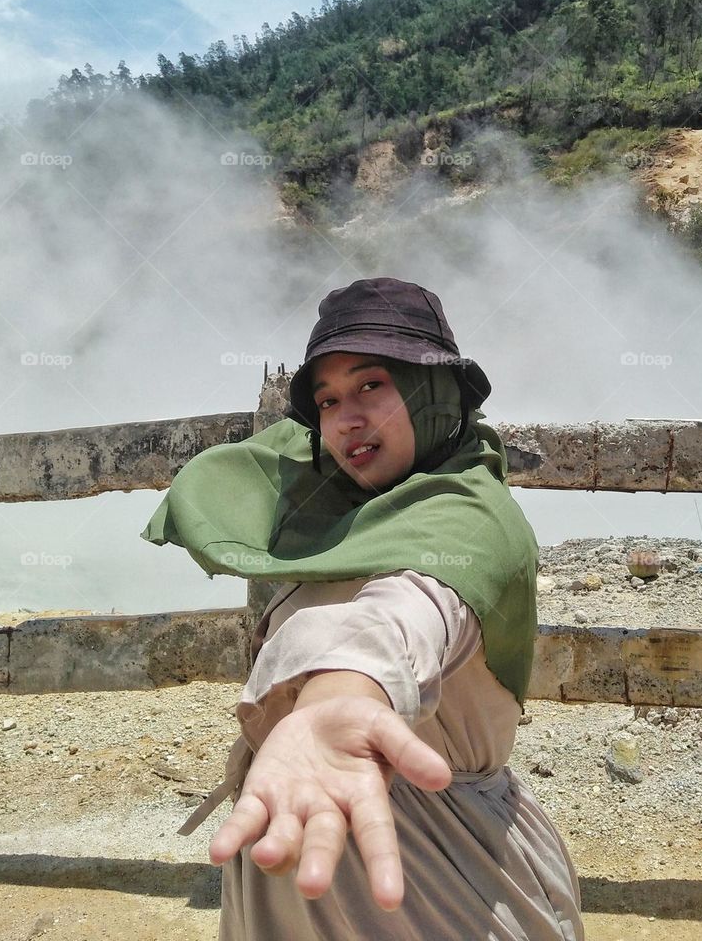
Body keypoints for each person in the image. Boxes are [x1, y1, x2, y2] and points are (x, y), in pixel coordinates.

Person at [142, 277, 584, 940]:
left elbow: (396, 616)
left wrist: (335, 699)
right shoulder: (344, 504)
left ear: (433, 391)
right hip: (298, 857)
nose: (347, 417)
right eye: (328, 400)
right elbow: (258, 464)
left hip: (434, 875)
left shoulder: (469, 524)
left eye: (372, 385)